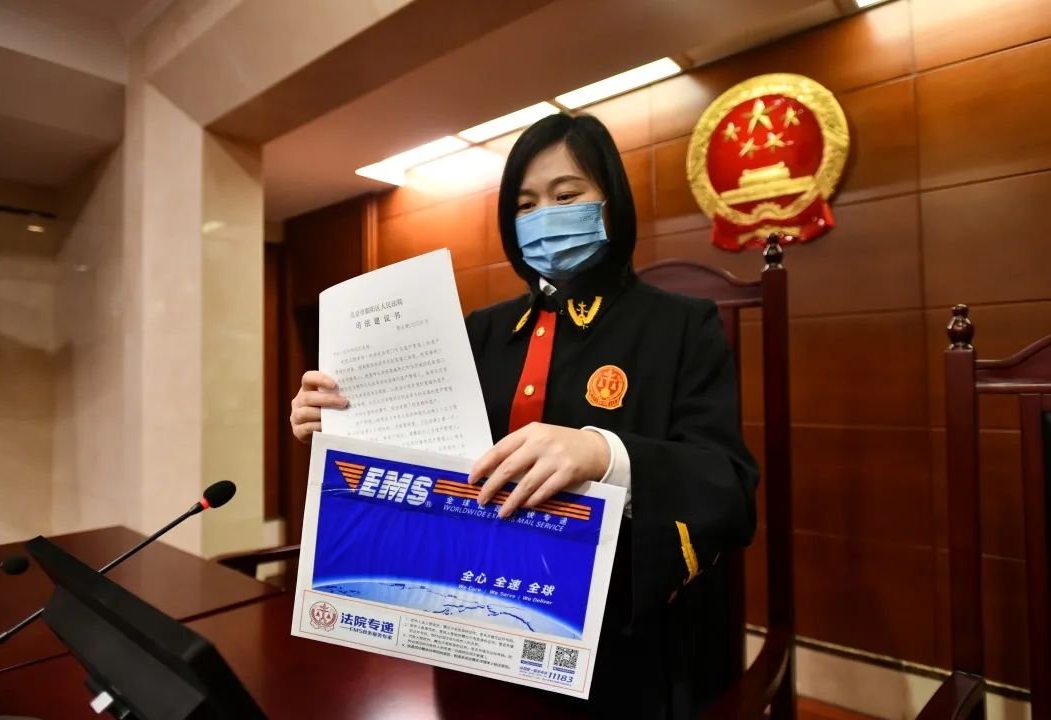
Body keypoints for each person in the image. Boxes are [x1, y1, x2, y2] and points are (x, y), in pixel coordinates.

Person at [290, 113, 759, 718]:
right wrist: (341, 423)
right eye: (526, 204)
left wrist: (605, 455)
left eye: (566, 196)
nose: (544, 217)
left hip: (617, 654)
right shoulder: (477, 332)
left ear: (611, 202)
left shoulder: (681, 325)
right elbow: (423, 463)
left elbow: (729, 489)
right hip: (465, 629)